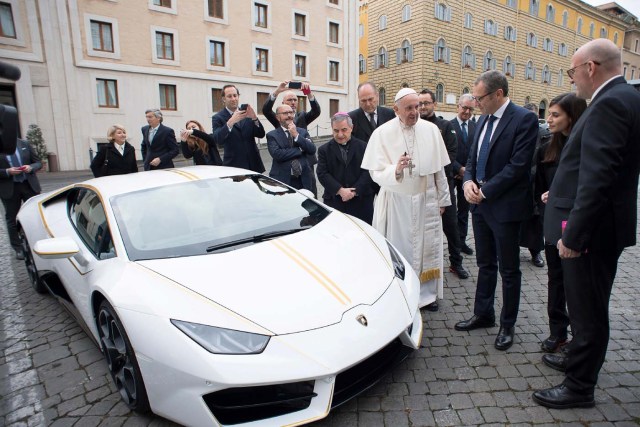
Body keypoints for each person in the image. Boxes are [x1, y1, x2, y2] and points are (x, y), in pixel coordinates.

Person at [533, 39, 640, 409]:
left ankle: (579, 386)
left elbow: (598, 177)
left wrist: (574, 236)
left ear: (590, 68)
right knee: (588, 307)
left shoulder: (609, 104)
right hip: (604, 226)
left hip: (592, 232)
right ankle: (577, 361)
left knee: (587, 311)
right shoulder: (627, 98)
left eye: (572, 71)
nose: (573, 78)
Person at [454, 70, 538, 351]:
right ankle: (484, 313)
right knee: (485, 264)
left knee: (509, 269)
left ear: (498, 94)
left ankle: (507, 324)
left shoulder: (523, 119)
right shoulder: (482, 120)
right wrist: (467, 183)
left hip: (505, 208)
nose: (475, 104)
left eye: (480, 98)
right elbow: (471, 158)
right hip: (479, 206)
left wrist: (485, 190)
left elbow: (518, 166)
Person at [362, 88, 450, 311]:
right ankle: (403, 293)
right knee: (402, 249)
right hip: (397, 202)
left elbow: (439, 170)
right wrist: (396, 170)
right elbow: (375, 171)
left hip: (426, 200)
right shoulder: (382, 133)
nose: (415, 112)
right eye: (409, 108)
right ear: (396, 109)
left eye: (417, 106)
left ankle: (427, 295)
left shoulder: (431, 130)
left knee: (426, 248)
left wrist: (443, 200)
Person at [534, 93, 587, 353]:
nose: (549, 119)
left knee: (576, 284)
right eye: (549, 114)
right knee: (555, 279)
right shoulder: (546, 147)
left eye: (556, 115)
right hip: (553, 223)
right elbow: (541, 185)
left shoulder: (585, 147)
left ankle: (580, 339)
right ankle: (558, 332)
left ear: (572, 117)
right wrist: (546, 196)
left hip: (576, 225)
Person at [419, 89, 469, 280]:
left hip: (442, 185)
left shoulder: (445, 126)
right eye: (420, 103)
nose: (423, 107)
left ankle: (456, 263)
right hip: (421, 187)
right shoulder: (414, 127)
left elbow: (450, 155)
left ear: (434, 104)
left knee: (451, 226)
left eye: (426, 103)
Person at [262, 81, 321, 196]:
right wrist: (277, 91)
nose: (293, 102)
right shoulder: (279, 117)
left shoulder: (302, 116)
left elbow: (316, 111)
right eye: (290, 100)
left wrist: (309, 94)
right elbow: (266, 110)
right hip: (286, 166)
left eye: (295, 100)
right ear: (283, 103)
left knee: (310, 192)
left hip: (306, 162)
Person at [316, 113, 375, 224]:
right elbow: (322, 173)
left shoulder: (363, 146)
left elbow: (368, 171)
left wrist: (354, 191)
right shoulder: (324, 150)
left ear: (351, 128)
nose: (340, 134)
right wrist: (340, 190)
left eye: (344, 130)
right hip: (335, 201)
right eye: (336, 131)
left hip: (361, 201)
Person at [520, 102, 552, 268]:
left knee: (536, 220)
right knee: (517, 218)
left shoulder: (546, 134)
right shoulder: (518, 132)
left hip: (538, 183)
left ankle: (536, 251)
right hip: (520, 183)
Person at [0, 138, 42, 260]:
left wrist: (31, 167)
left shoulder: (24, 144)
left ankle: (38, 242)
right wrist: (7, 171)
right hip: (10, 188)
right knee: (11, 219)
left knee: (35, 215)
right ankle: (18, 248)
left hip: (29, 185)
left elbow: (38, 162)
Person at [212, 85, 266, 173]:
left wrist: (255, 118)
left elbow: (261, 134)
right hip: (234, 166)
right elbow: (218, 140)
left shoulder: (247, 113)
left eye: (235, 95)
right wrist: (230, 122)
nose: (233, 99)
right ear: (223, 99)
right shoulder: (217, 117)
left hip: (254, 164)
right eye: (229, 96)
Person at [266, 105, 316, 191]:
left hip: (303, 179)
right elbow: (277, 154)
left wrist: (296, 135)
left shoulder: (302, 132)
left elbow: (312, 149)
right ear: (278, 117)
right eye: (285, 113)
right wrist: (300, 149)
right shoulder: (272, 135)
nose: (289, 115)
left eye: (291, 112)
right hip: (282, 180)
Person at [450, 94, 476, 256]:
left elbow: (476, 151)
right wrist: (458, 168)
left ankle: (461, 241)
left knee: (464, 211)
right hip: (452, 175)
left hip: (467, 177)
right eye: (464, 107)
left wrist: (467, 171)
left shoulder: (475, 126)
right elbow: (445, 152)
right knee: (451, 211)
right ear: (458, 106)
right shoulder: (448, 125)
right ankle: (453, 243)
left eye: (470, 109)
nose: (467, 111)